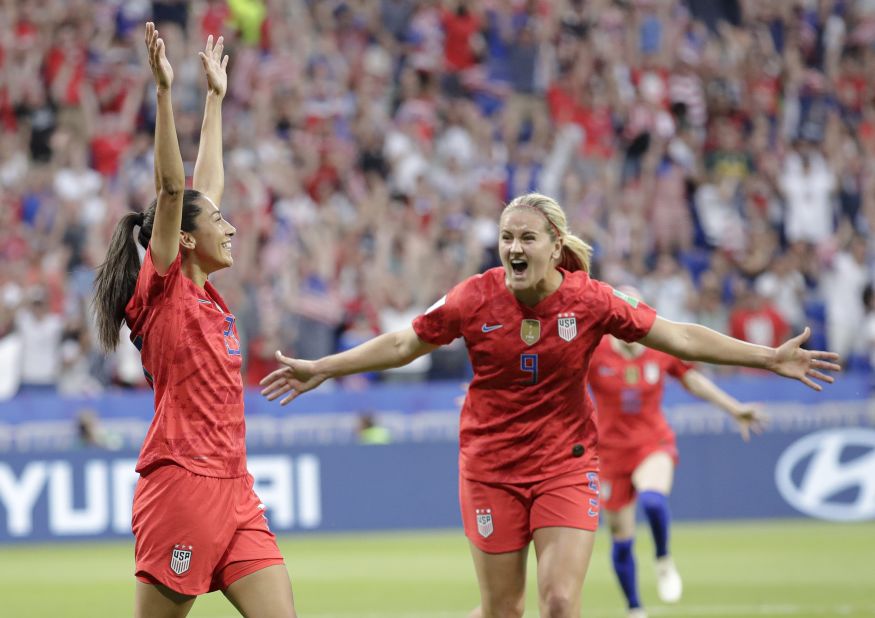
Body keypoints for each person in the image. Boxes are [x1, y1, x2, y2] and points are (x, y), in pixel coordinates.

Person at [260, 192, 839, 618]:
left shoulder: (590, 301)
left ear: (555, 247)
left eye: (526, 238)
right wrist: (323, 369)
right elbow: (404, 343)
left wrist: (767, 358)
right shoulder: (474, 296)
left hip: (566, 463)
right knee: (502, 613)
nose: (513, 247)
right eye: (506, 237)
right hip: (490, 470)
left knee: (560, 603)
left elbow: (681, 337)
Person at [91, 24, 296, 617]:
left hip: (237, 490)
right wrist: (162, 93)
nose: (230, 228)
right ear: (182, 238)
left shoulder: (209, 295)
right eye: (218, 223)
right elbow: (176, 187)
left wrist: (214, 102)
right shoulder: (163, 291)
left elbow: (204, 189)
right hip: (180, 484)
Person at [588, 287, 767, 618]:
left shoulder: (658, 347)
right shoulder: (594, 351)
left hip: (651, 442)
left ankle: (663, 558)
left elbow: (693, 380)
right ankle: (634, 608)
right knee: (621, 539)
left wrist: (734, 408)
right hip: (609, 454)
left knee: (653, 500)